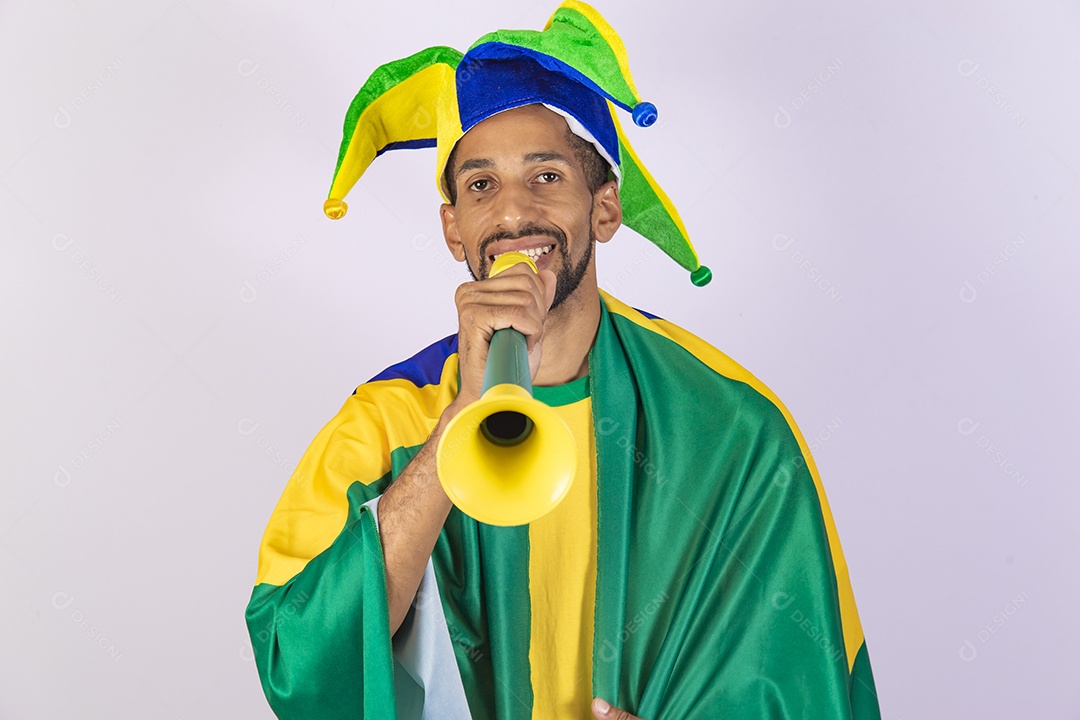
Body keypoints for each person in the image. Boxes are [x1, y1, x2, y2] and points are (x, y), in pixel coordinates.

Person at [245, 3, 881, 719]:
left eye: (546, 176)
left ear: (604, 208)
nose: (514, 213)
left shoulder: (729, 424)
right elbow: (299, 660)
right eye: (480, 185)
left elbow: (806, 682)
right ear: (453, 227)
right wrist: (461, 420)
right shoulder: (383, 422)